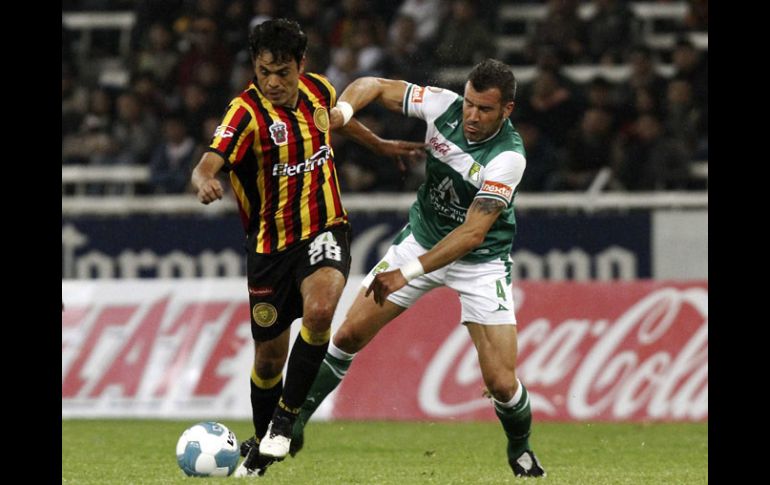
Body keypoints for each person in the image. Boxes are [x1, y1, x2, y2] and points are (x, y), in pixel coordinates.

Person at [288, 59, 547, 477]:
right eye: (469, 103)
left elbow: (472, 234)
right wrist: (343, 112)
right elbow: (373, 84)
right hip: (422, 240)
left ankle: (520, 448)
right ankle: (293, 423)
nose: (472, 115)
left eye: (484, 109)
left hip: (480, 263)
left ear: (507, 110)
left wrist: (405, 274)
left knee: (501, 383)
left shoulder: (508, 157)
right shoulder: (442, 105)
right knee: (349, 333)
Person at [191, 18, 424, 478]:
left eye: (283, 72)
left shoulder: (319, 90)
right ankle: (263, 443)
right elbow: (208, 161)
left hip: (325, 228)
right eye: (264, 72)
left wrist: (378, 145)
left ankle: (285, 420)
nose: (273, 83)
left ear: (302, 65)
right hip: (269, 248)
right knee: (268, 360)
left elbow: (336, 122)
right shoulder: (245, 113)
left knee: (319, 313)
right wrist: (204, 180)